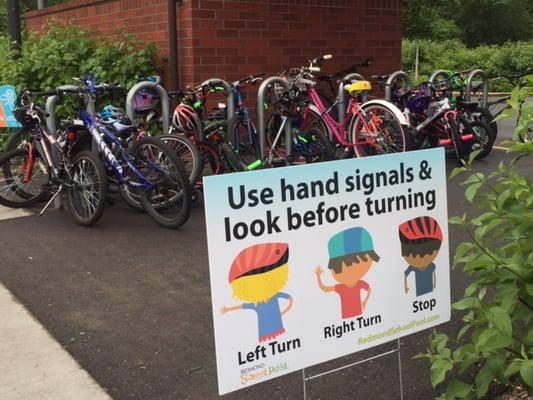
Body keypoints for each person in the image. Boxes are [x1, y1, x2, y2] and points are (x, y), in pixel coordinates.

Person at [221, 242, 293, 342]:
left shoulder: (272, 297)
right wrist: (228, 309)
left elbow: (290, 299)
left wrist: (284, 312)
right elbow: (242, 306)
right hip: (265, 332)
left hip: (276, 329)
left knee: (278, 341)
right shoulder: (259, 303)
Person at [315, 227, 380, 319]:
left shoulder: (359, 284)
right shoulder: (341, 288)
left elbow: (369, 289)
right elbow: (324, 288)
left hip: (359, 315)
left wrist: (365, 301)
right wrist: (318, 276)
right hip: (346, 318)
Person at [399, 216, 443, 297]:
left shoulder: (431, 266)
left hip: (429, 291)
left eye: (423, 253)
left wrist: (434, 284)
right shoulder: (414, 267)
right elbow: (406, 274)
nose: (415, 258)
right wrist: (406, 287)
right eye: (408, 253)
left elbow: (434, 274)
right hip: (419, 292)